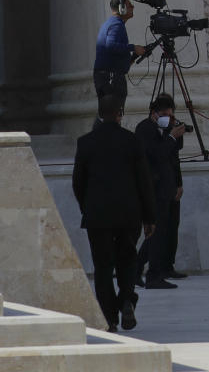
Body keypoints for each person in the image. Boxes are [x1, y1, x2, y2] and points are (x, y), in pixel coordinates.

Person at [72, 93, 156, 332]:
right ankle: (127, 299)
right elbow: (144, 182)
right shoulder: (132, 141)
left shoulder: (85, 142)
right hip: (129, 214)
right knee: (128, 260)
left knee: (103, 266)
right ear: (120, 113)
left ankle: (109, 318)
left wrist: (86, 207)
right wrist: (149, 217)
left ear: (100, 114)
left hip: (98, 215)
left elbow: (78, 182)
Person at [134, 93, 183, 289]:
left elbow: (173, 157)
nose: (168, 118)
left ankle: (138, 269)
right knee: (155, 232)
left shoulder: (166, 129)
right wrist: (171, 137)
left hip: (167, 187)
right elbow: (156, 156)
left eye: (171, 115)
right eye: (165, 115)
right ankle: (152, 274)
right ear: (154, 113)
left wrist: (178, 184)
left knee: (161, 232)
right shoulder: (145, 129)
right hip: (154, 188)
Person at [93, 0, 145, 111]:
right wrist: (133, 47)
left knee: (106, 115)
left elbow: (113, 54)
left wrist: (132, 57)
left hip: (106, 76)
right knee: (112, 115)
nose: (133, 7)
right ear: (122, 8)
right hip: (111, 77)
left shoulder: (111, 23)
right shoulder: (116, 24)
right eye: (129, 5)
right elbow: (110, 46)